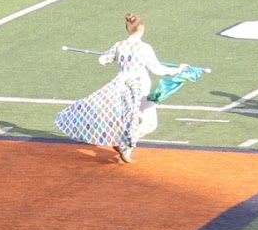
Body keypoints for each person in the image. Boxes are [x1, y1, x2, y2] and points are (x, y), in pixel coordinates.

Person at [55, 12, 188, 163]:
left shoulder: (120, 45)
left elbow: (103, 60)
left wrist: (114, 56)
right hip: (139, 87)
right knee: (149, 122)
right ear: (142, 27)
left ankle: (123, 142)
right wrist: (179, 69)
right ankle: (125, 144)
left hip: (121, 84)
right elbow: (158, 69)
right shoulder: (144, 48)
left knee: (127, 117)